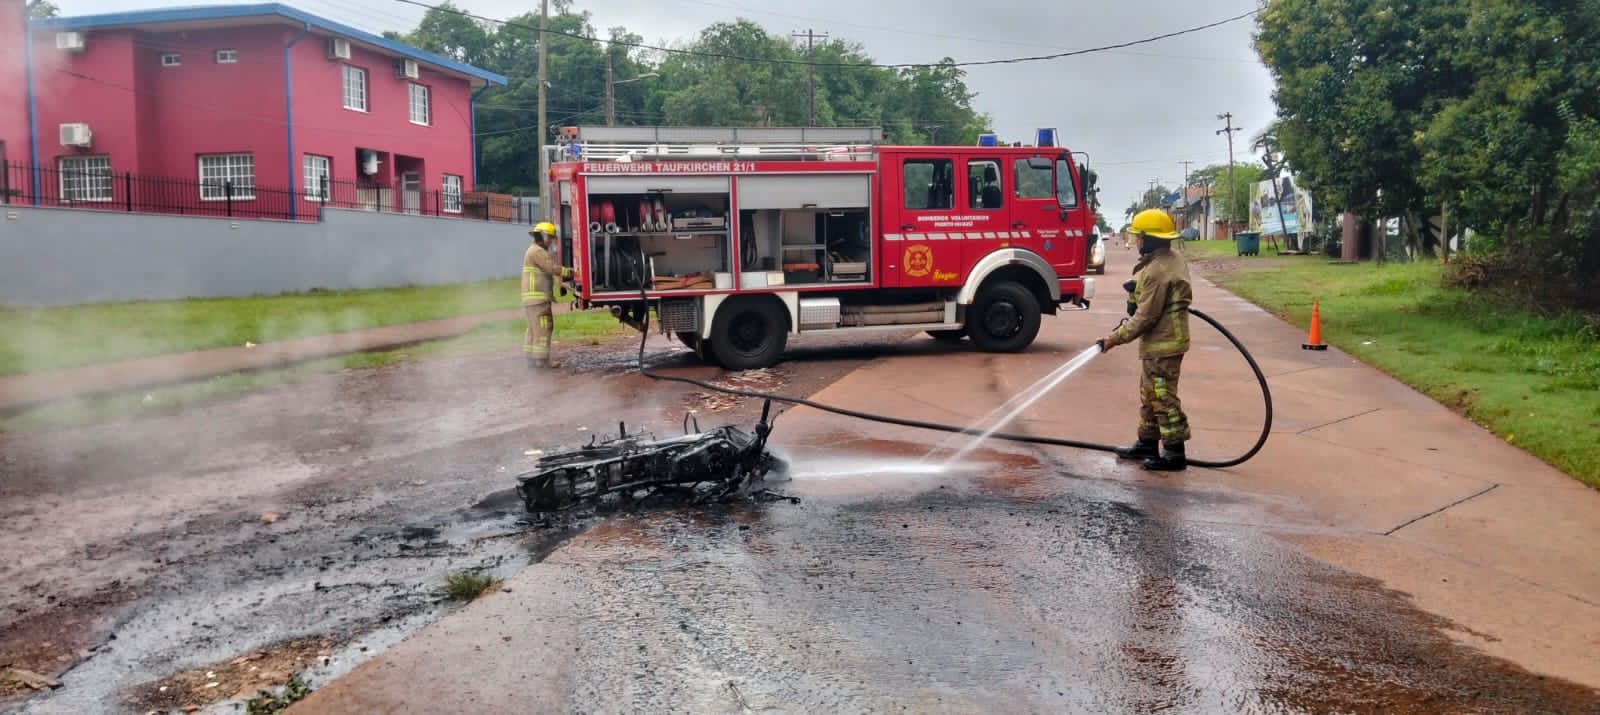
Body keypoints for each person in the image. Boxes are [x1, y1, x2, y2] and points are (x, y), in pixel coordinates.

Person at [1095, 209, 1194, 471]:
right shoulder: (1169, 259)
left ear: (1150, 239)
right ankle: (1147, 442)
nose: (1137, 242)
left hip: (1164, 343)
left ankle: (1174, 452)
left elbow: (1145, 318)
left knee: (1161, 395)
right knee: (1150, 392)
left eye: (1139, 237)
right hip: (1163, 342)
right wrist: (1135, 290)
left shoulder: (1157, 271)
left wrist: (1113, 339)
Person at [522, 222, 576, 369]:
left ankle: (531, 359)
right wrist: (572, 272)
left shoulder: (532, 250)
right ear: (544, 237)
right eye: (551, 238)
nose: (552, 242)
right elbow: (552, 268)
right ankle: (541, 360)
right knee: (544, 328)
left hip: (532, 299)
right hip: (538, 300)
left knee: (533, 328)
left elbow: (545, 273)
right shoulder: (538, 252)